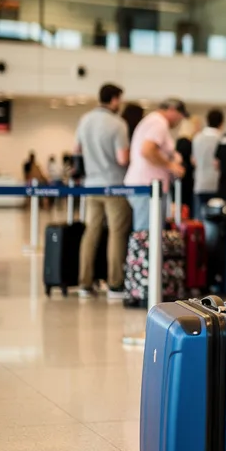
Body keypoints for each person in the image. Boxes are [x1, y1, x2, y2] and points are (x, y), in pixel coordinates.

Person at [74, 83, 132, 299]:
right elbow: (122, 158)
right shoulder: (117, 123)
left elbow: (76, 150)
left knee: (92, 230)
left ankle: (84, 282)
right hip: (114, 184)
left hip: (91, 184)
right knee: (117, 232)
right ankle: (115, 284)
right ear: (115, 99)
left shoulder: (85, 119)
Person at [124, 98, 188, 232]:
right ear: (172, 110)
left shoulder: (153, 121)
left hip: (147, 186)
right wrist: (171, 165)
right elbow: (147, 150)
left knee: (150, 231)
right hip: (147, 187)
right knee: (146, 233)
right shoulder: (159, 123)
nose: (179, 120)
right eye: (180, 116)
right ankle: (147, 254)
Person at [192, 109, 225, 217]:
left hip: (199, 182)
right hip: (215, 183)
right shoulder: (221, 139)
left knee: (199, 218)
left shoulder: (197, 138)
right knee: (215, 218)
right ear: (221, 122)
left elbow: (194, 160)